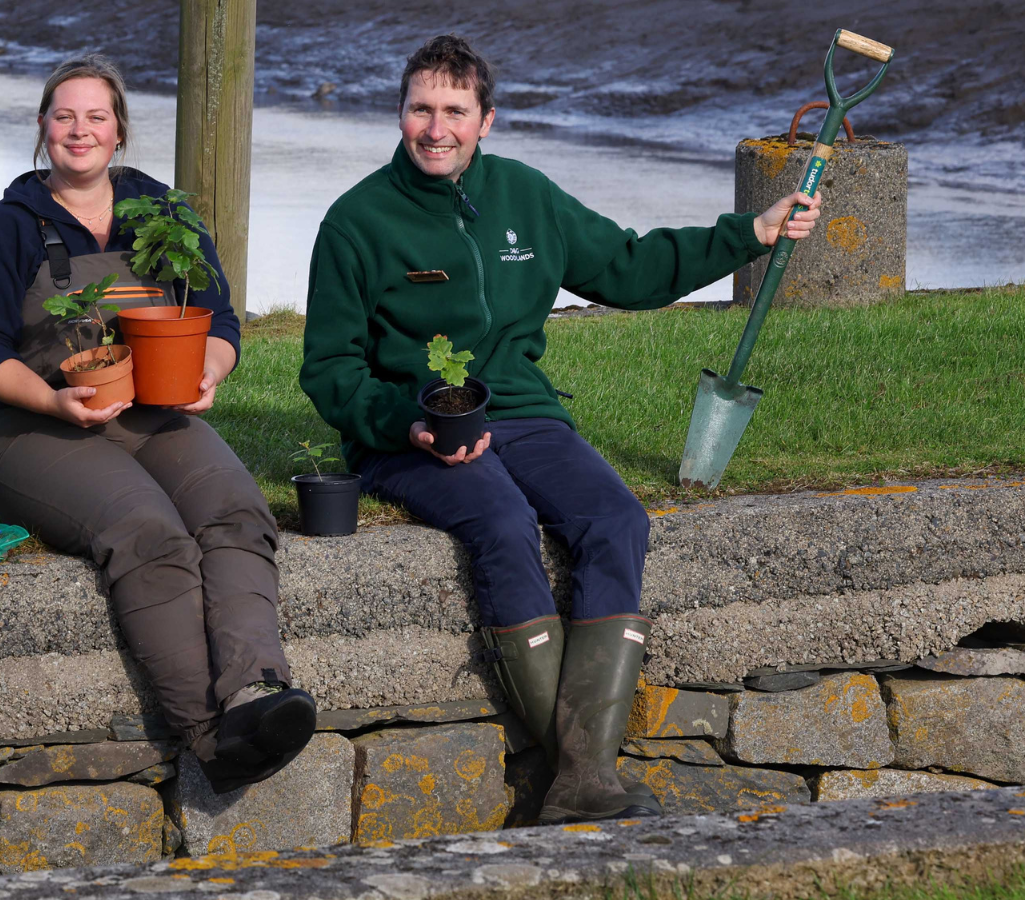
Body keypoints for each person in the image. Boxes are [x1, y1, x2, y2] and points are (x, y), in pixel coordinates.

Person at [299, 36, 823, 824]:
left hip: (526, 413)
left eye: (454, 112)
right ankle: (581, 772)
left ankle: (581, 777)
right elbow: (330, 369)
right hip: (408, 437)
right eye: (420, 109)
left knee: (616, 518)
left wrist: (749, 232)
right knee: (505, 522)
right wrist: (405, 423)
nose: (435, 129)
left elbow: (632, 268)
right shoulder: (356, 222)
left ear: (486, 120)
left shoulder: (527, 197)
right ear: (400, 113)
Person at [0, 55, 316, 793]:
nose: (79, 130)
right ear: (42, 128)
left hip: (153, 409)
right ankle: (213, 738)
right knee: (149, 533)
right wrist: (52, 400)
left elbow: (220, 317)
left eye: (96, 117)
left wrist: (209, 367)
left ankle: (259, 691)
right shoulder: (4, 229)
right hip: (37, 428)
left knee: (237, 511)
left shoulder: (163, 213)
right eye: (64, 116)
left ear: (119, 131)